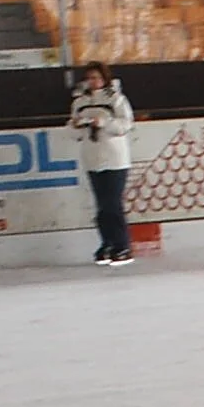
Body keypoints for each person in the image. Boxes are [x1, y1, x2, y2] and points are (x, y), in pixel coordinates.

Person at [68, 61, 134, 267]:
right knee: (102, 205)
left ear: (104, 79)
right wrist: (77, 126)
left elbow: (126, 124)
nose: (93, 82)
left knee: (113, 203)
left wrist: (103, 123)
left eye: (96, 77)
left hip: (114, 159)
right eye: (90, 78)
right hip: (92, 158)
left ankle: (122, 244)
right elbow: (73, 131)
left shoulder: (116, 99)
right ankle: (106, 243)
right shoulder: (80, 102)